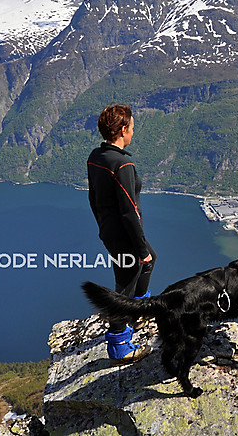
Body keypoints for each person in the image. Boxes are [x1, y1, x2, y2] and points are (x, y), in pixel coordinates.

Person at [87, 104, 156, 364]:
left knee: (151, 260)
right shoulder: (123, 164)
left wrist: (103, 227)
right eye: (133, 128)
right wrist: (140, 250)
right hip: (125, 233)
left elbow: (92, 197)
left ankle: (138, 312)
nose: (133, 133)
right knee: (124, 285)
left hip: (110, 230)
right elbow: (129, 212)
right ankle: (119, 345)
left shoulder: (96, 156)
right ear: (123, 129)